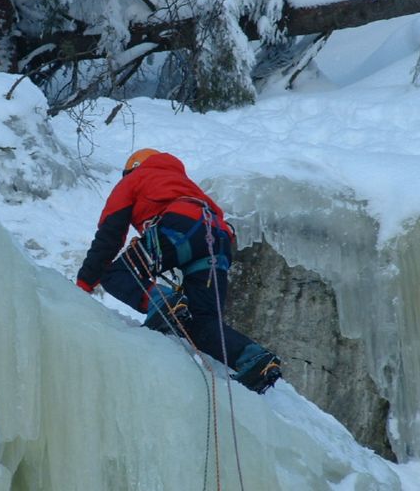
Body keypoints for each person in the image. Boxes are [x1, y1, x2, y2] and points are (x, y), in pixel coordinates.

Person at [76, 148, 281, 394]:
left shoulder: (136, 178)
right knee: (200, 321)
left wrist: (83, 285)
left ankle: (164, 303)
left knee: (115, 274)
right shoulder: (187, 185)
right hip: (218, 241)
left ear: (133, 169)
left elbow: (109, 235)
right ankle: (255, 359)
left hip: (182, 228)